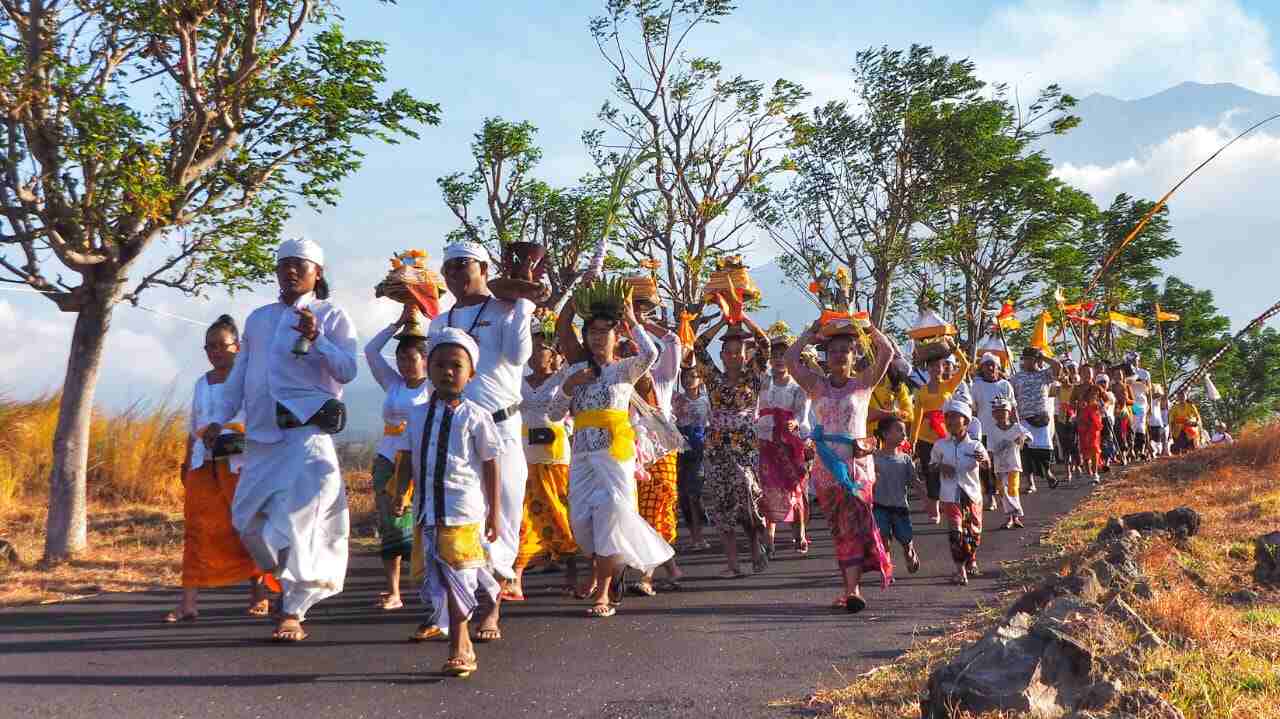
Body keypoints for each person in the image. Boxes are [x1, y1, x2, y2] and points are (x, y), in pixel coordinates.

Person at [204, 238, 358, 642]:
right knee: (247, 522)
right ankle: (287, 580)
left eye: (300, 266)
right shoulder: (258, 319)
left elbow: (347, 371)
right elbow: (240, 375)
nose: (291, 271)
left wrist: (319, 338)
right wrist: (219, 418)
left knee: (302, 522)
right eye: (284, 265)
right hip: (262, 437)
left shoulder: (332, 314)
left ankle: (293, 609)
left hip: (307, 435)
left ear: (317, 274)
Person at [428, 240, 537, 639]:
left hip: (502, 426)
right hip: (455, 429)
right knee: (462, 516)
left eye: (465, 265)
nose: (457, 273)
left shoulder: (505, 309)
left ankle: (491, 607)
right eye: (450, 268)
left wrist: (524, 301)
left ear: (485, 270)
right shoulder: (440, 322)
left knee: (501, 516)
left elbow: (519, 354)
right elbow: (431, 379)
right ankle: (460, 606)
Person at [548, 287, 674, 617]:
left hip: (616, 456)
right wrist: (569, 388)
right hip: (583, 457)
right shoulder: (575, 371)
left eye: (605, 331)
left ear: (617, 336)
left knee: (611, 515)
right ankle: (612, 568)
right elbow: (551, 413)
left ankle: (602, 594)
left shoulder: (625, 369)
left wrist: (633, 320)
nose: (597, 337)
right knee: (582, 525)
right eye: (592, 331)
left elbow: (651, 356)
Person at [166, 315, 276, 624]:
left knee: (245, 526)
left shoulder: (248, 381)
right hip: (203, 463)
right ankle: (188, 602)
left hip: (239, 461)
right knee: (197, 530)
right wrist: (187, 462)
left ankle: (259, 594)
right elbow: (193, 425)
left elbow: (258, 419)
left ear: (237, 347)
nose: (215, 351)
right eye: (209, 346)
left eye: (221, 345)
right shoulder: (202, 382)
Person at [408, 328, 503, 678]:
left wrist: (494, 512)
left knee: (457, 578)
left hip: (463, 511)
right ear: (428, 368)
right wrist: (401, 494)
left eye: (456, 366)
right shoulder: (417, 415)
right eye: (440, 364)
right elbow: (410, 458)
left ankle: (460, 646)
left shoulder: (477, 416)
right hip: (427, 512)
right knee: (446, 576)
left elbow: (492, 464)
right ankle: (493, 595)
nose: (448, 371)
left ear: (470, 374)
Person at [786, 319, 895, 612]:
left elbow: (887, 352)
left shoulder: (864, 384)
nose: (839, 356)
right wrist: (809, 333)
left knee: (857, 527)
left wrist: (869, 328)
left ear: (855, 354)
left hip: (857, 471)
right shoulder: (816, 386)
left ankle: (852, 589)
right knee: (840, 530)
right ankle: (851, 588)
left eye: (845, 350)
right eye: (833, 351)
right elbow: (790, 359)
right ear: (825, 356)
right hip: (826, 471)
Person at [692, 314, 772, 577]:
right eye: (730, 352)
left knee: (747, 494)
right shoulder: (712, 377)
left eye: (739, 352)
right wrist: (723, 321)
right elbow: (699, 347)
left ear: (745, 356)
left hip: (745, 448)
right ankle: (732, 564)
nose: (735, 356)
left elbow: (765, 343)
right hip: (716, 448)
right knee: (722, 504)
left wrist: (743, 317)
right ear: (723, 355)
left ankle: (755, 545)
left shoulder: (754, 376)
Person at [364, 310, 433, 612]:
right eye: (402, 359)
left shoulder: (434, 388)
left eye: (412, 359)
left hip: (420, 459)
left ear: (426, 360)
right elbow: (370, 351)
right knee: (390, 522)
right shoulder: (393, 384)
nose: (406, 365)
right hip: (388, 458)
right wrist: (398, 323)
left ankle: (429, 585)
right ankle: (394, 591)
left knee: (424, 522)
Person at [512, 319, 578, 599]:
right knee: (523, 515)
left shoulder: (563, 378)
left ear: (553, 352)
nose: (536, 353)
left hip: (555, 455)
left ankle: (572, 571)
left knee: (560, 512)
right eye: (533, 347)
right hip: (525, 453)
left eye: (542, 347)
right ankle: (516, 577)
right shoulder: (517, 379)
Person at [757, 333, 812, 557]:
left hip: (790, 444)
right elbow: (754, 410)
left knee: (794, 489)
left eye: (784, 355)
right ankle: (769, 540)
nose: (780, 359)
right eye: (776, 355)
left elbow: (803, 414)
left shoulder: (799, 386)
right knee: (768, 489)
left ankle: (799, 534)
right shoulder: (763, 382)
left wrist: (795, 422)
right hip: (767, 442)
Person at [930, 399, 990, 585]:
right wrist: (941, 467)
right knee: (956, 532)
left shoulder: (975, 446)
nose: (950, 421)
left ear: (966, 421)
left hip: (971, 495)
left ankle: (971, 558)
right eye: (947, 418)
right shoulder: (940, 445)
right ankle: (960, 570)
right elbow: (931, 466)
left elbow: (987, 465)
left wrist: (983, 461)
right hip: (950, 495)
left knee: (973, 532)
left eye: (955, 417)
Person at [910, 342, 970, 524]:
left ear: (944, 367)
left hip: (946, 434)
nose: (937, 369)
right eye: (933, 366)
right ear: (928, 369)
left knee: (952, 469)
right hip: (927, 437)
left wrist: (955, 349)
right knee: (931, 472)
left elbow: (965, 366)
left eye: (940, 366)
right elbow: (917, 417)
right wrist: (912, 441)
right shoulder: (921, 391)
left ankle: (954, 503)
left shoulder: (949, 385)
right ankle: (934, 508)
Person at [871, 417, 921, 575]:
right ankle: (887, 569)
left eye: (904, 431)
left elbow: (915, 481)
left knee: (905, 539)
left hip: (900, 507)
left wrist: (928, 500)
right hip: (879, 507)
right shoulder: (873, 458)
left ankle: (909, 553)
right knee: (883, 540)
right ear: (885, 434)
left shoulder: (905, 459)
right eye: (899, 430)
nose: (904, 434)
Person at [1009, 346, 1063, 493]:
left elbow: (1058, 366)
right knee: (1026, 452)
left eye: (1030, 359)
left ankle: (1048, 473)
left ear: (1036, 360)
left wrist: (1043, 356)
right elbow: (1010, 396)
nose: (1027, 362)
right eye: (1025, 359)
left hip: (1041, 418)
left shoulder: (1044, 375)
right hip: (1024, 419)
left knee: (1043, 451)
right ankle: (1030, 482)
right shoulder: (1016, 378)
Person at [969, 353, 1016, 510]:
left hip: (1003, 432)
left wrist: (1016, 429)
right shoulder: (976, 386)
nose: (990, 368)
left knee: (1002, 466)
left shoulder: (1005, 385)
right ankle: (989, 496)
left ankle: (1005, 496)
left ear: (998, 367)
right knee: (985, 466)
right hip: (984, 433)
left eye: (993, 365)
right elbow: (973, 411)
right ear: (981, 368)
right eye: (986, 365)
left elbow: (1013, 408)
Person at [673, 364, 711, 551]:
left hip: (699, 448)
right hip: (680, 448)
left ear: (700, 379)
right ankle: (693, 536)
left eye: (693, 376)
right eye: (685, 377)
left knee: (694, 493)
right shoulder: (675, 400)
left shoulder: (706, 401)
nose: (688, 380)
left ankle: (700, 535)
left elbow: (713, 424)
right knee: (683, 495)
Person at [985, 398, 1031, 530]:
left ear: (1009, 412)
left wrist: (1022, 437)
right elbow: (990, 450)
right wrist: (988, 463)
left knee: (1012, 489)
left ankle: (1015, 516)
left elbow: (1029, 436)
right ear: (993, 414)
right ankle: (1009, 517)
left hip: (1013, 465)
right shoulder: (992, 431)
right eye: (997, 411)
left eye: (1003, 411)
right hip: (999, 467)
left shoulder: (1016, 427)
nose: (1000, 414)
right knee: (1002, 491)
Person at [1054, 361, 1082, 485]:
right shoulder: (1056, 389)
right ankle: (1067, 472)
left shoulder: (1075, 388)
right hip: (1060, 418)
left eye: (1064, 375)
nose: (1062, 377)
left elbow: (1078, 403)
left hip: (1072, 418)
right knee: (1064, 445)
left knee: (1074, 444)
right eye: (1060, 375)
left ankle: (1077, 465)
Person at [1076, 382, 1106, 484]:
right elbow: (1079, 417)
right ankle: (1089, 473)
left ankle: (1095, 473)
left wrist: (1102, 407)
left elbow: (1103, 413)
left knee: (1094, 449)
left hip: (1094, 430)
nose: (1094, 394)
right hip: (1084, 429)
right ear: (1088, 393)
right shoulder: (1083, 404)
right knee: (1085, 451)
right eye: (1092, 392)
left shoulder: (1099, 404)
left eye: (1097, 392)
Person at [1169, 390, 1203, 455]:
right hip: (1178, 431)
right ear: (1177, 398)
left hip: (1190, 429)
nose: (1181, 398)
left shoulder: (1191, 406)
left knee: (1192, 448)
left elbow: (1198, 418)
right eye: (1179, 396)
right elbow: (1171, 421)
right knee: (1180, 448)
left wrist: (1193, 422)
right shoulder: (1174, 408)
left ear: (1186, 397)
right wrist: (1170, 432)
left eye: (1183, 396)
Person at [1147, 384, 1168, 458]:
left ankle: (1157, 452)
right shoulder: (1146, 399)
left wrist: (1165, 391)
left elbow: (1163, 396)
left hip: (1157, 423)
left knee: (1157, 441)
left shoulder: (1157, 398)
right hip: (1148, 423)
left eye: (1153, 389)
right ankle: (1151, 453)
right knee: (1149, 440)